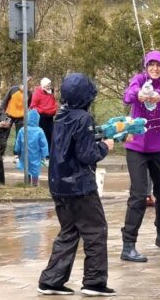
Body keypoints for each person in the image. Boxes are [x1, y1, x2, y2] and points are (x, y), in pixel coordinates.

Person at [37, 73, 116, 297]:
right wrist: (105, 147)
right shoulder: (84, 118)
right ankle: (94, 282)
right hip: (80, 186)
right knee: (96, 231)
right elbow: (86, 154)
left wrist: (96, 137)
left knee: (69, 232)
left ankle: (51, 281)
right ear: (86, 96)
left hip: (59, 185)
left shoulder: (61, 115)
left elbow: (73, 144)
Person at [120, 50, 160, 263]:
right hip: (135, 147)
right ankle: (128, 245)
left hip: (158, 148)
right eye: (151, 65)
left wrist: (159, 96)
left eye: (159, 66)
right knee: (138, 195)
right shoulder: (138, 79)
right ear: (146, 66)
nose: (154, 69)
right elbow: (128, 95)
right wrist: (139, 94)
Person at [14, 109, 49, 187]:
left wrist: (17, 151)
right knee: (35, 168)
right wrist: (44, 155)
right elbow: (43, 144)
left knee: (26, 167)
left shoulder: (22, 130)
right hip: (36, 154)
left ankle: (27, 181)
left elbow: (18, 142)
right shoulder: (40, 131)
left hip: (24, 153)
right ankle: (35, 183)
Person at [31, 77, 58, 148]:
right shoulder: (37, 93)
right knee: (43, 134)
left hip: (50, 117)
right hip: (41, 117)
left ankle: (50, 152)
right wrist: (42, 110)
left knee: (51, 134)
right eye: (48, 85)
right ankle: (44, 153)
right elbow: (33, 106)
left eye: (50, 85)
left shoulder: (50, 92)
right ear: (43, 85)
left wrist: (54, 108)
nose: (49, 87)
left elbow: (53, 101)